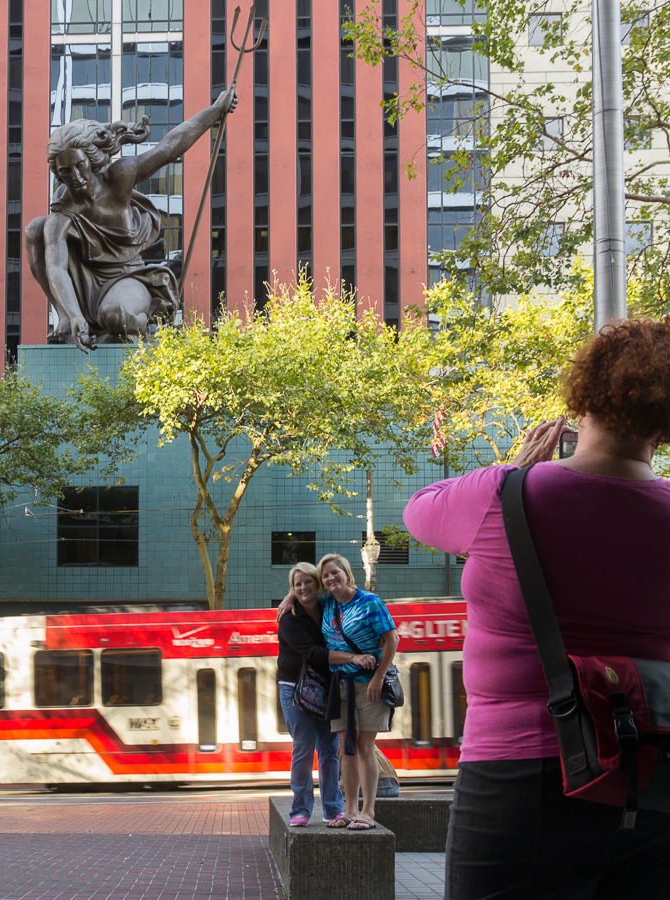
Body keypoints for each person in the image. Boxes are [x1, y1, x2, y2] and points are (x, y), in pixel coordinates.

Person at [402, 318, 670, 899]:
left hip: (518, 777)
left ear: (583, 396)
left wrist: (515, 471)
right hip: (654, 778)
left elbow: (419, 511)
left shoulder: (506, 497)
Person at [25, 89, 237, 351]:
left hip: (129, 277)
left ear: (90, 159)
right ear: (58, 174)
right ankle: (67, 320)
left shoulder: (119, 177)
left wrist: (215, 110)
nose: (76, 177)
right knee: (35, 229)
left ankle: (142, 330)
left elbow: (169, 148)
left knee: (116, 316)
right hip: (86, 285)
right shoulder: (62, 212)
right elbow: (55, 267)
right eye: (65, 172)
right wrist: (74, 314)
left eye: (79, 166)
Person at [276, 562, 376, 827]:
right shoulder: (289, 618)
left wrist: (292, 592)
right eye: (297, 585)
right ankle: (300, 809)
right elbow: (315, 653)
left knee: (330, 748)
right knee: (304, 747)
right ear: (292, 589)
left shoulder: (328, 604)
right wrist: (354, 658)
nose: (303, 587)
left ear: (317, 584)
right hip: (295, 688)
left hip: (326, 685)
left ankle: (333, 809)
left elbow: (339, 584)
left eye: (308, 582)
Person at [314, 553, 399, 831]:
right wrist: (289, 598)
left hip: (368, 685)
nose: (330, 578)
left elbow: (391, 639)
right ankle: (348, 810)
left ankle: (368, 812)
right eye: (325, 575)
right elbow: (301, 595)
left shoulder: (369, 602)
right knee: (345, 748)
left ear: (347, 573)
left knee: (364, 745)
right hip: (340, 685)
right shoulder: (327, 603)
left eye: (335, 572)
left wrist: (378, 676)